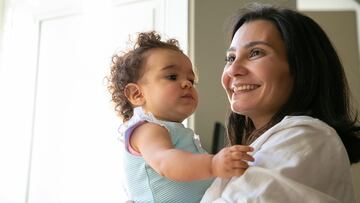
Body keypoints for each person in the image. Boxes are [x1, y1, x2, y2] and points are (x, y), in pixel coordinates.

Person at [201, 3, 360, 203]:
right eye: (230, 58)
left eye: (255, 53)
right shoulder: (264, 146)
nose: (233, 70)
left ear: (302, 67)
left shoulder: (308, 137)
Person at [107, 31, 254, 203]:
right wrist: (213, 164)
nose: (186, 84)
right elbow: (165, 162)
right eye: (172, 77)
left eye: (191, 81)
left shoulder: (171, 129)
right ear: (137, 94)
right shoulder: (147, 129)